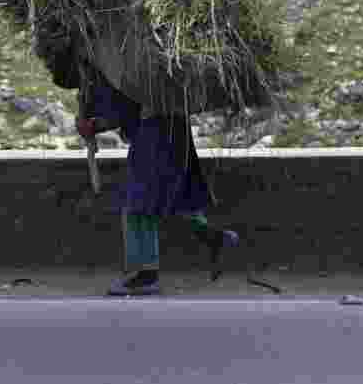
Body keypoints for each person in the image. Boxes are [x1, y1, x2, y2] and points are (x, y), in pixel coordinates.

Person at [75, 65, 240, 296]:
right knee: (175, 196)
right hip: (175, 128)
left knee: (138, 203)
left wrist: (94, 125)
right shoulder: (155, 61)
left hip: (154, 130)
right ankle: (216, 238)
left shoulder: (127, 60)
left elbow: (128, 106)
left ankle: (146, 275)